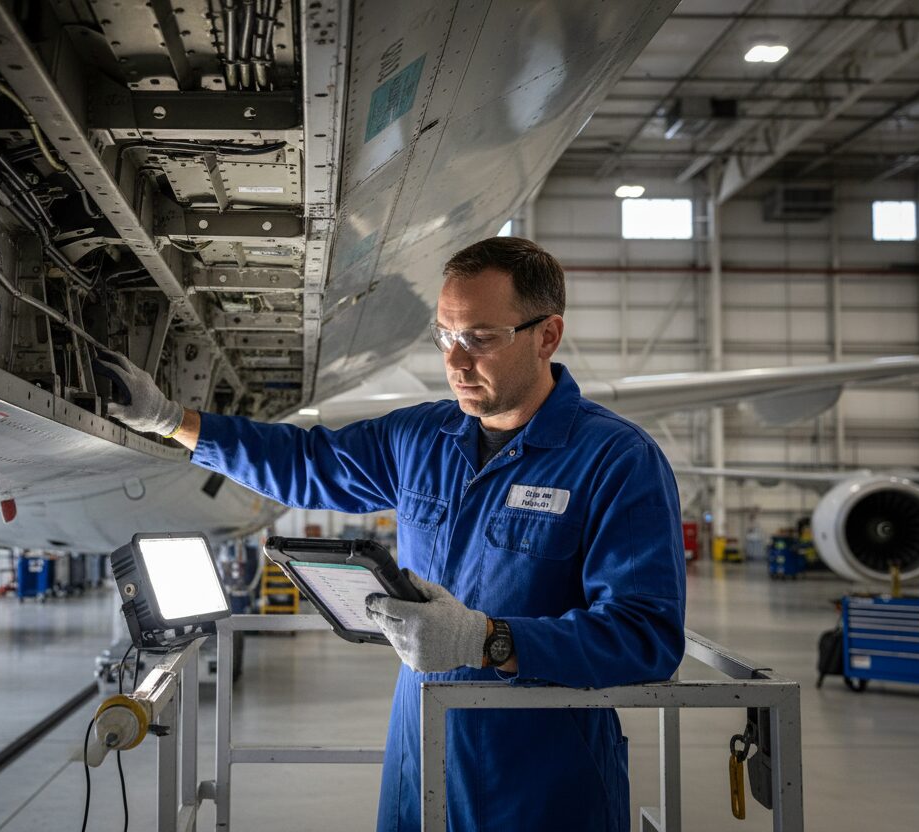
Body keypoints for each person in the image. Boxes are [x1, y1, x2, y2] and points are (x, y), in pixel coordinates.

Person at [96, 236, 686, 831]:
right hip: (421, 756)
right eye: (445, 336)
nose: (455, 362)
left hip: (543, 779)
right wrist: (173, 421)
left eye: (479, 339)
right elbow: (307, 464)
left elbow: (646, 639)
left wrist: (490, 641)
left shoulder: (616, 460)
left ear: (547, 336)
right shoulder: (423, 438)